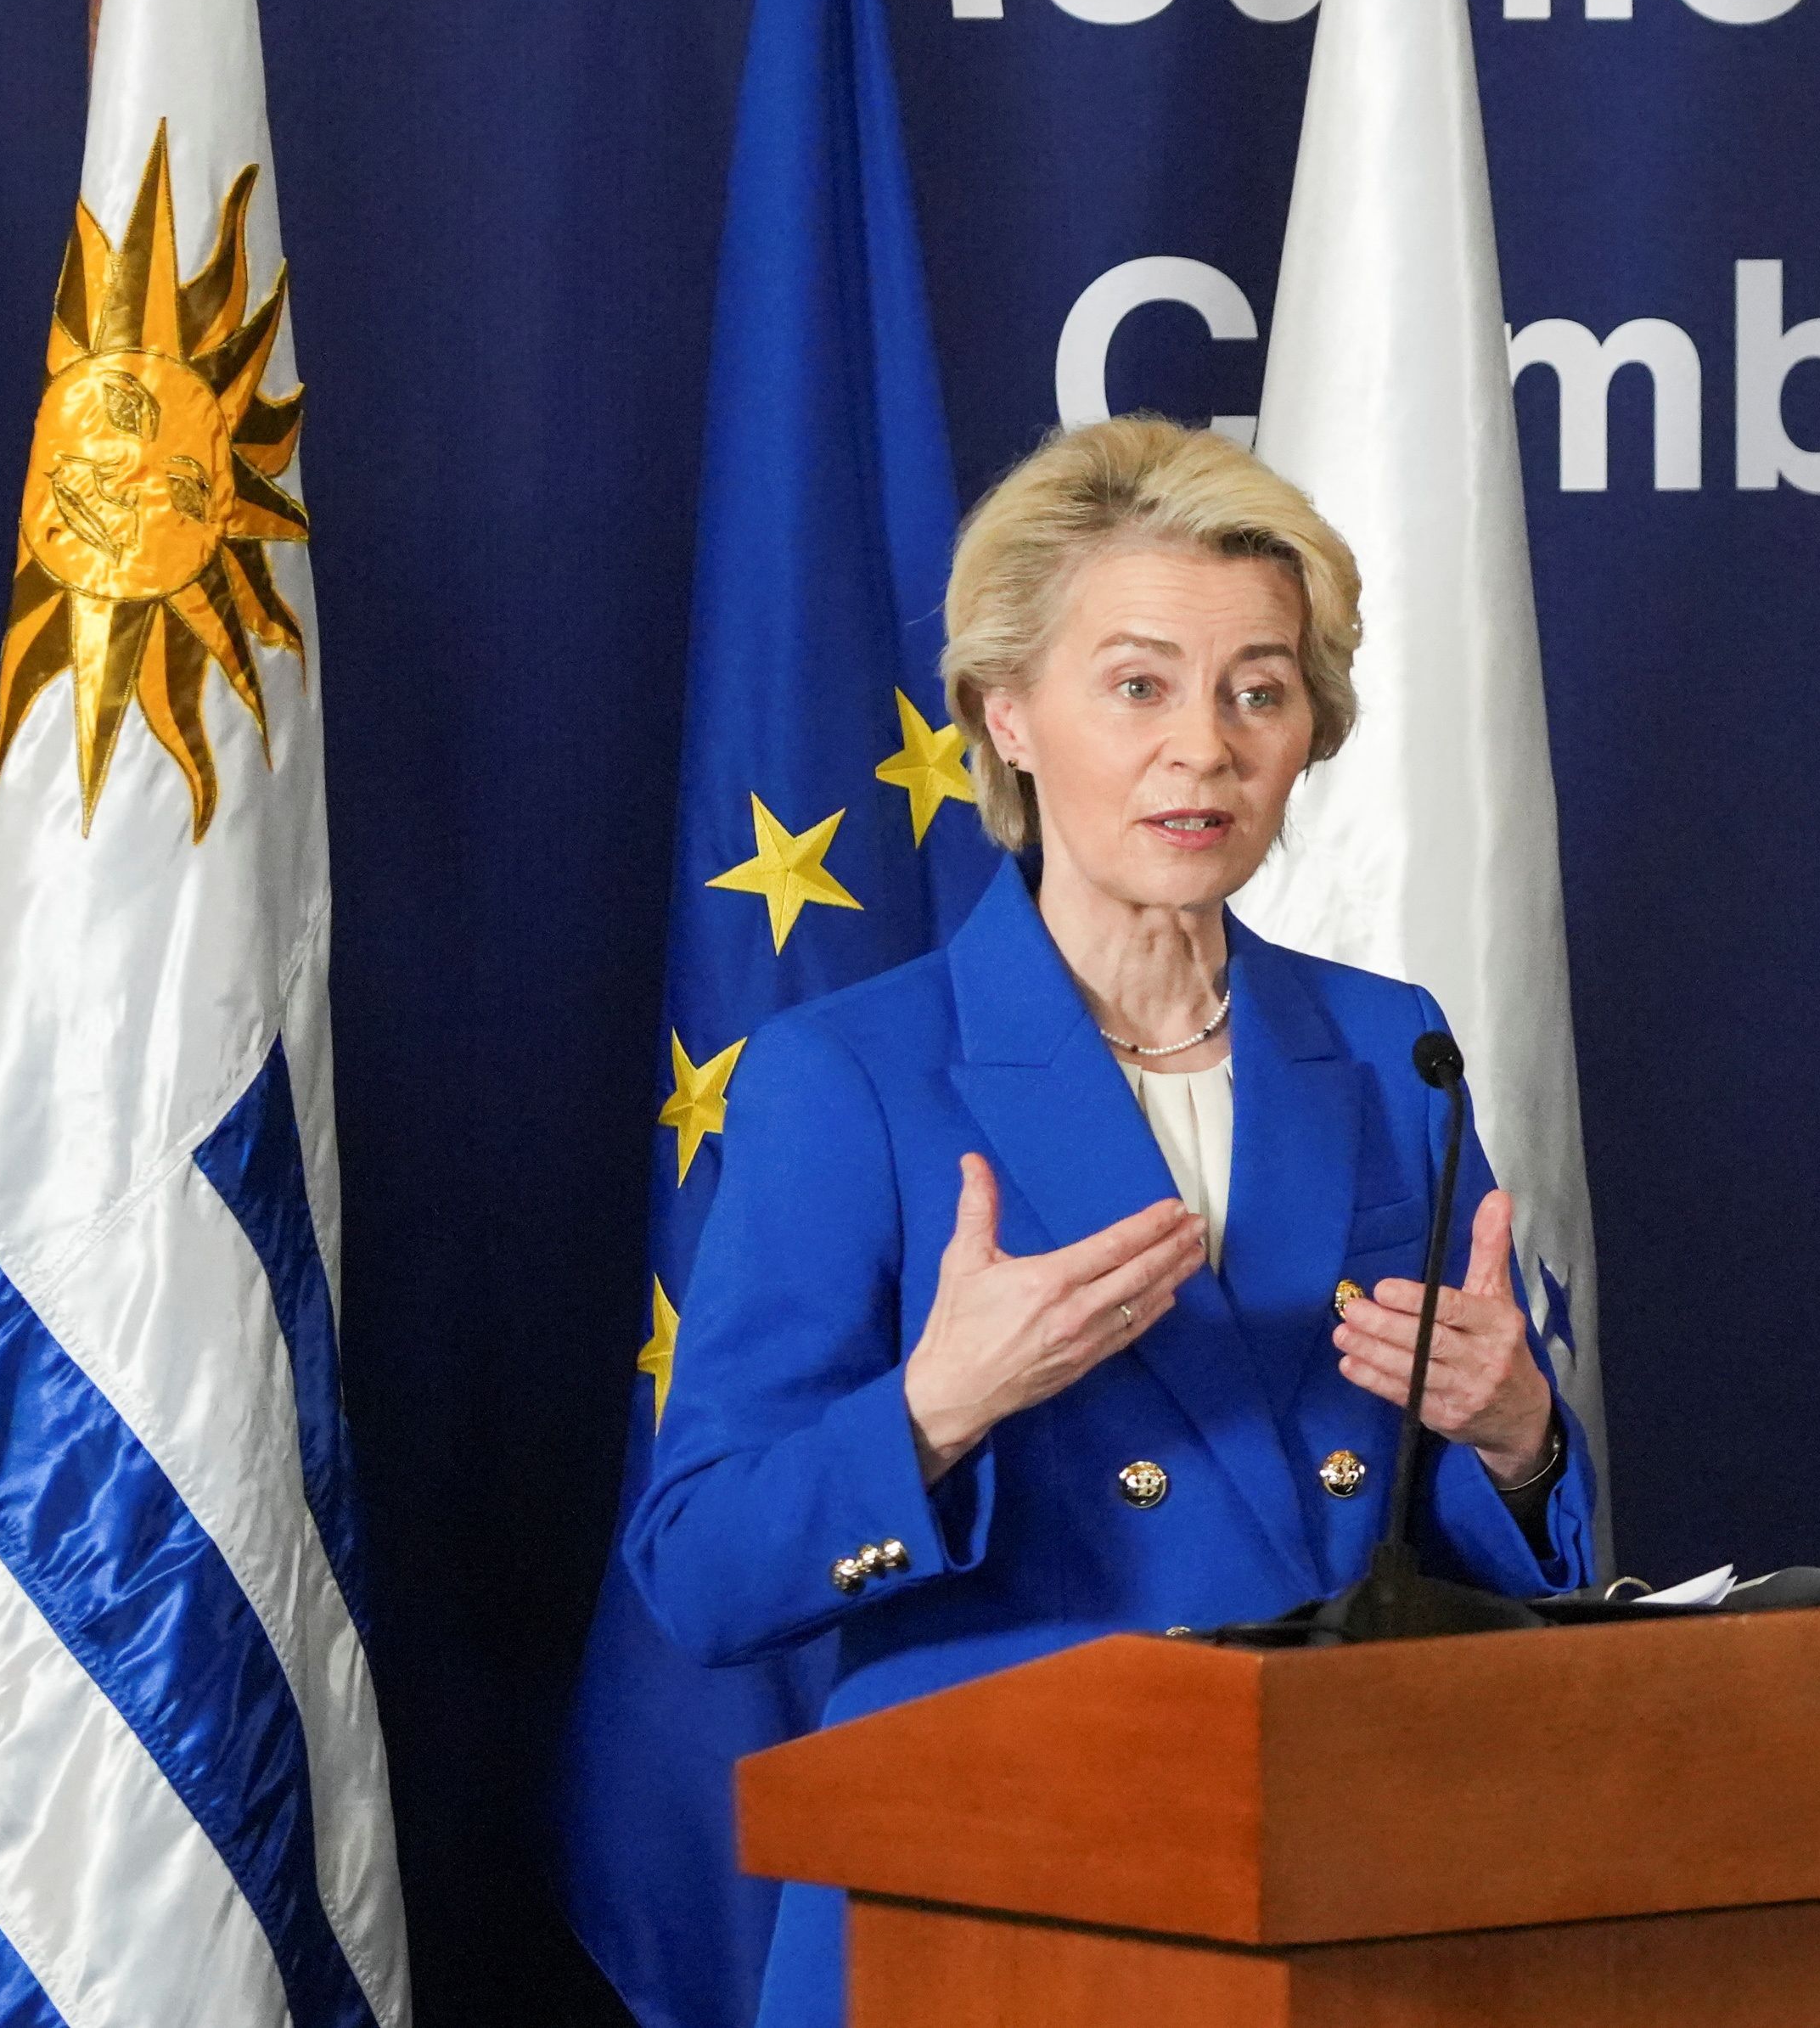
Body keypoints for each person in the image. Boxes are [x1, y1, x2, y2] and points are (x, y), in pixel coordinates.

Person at [623, 417, 1592, 2028]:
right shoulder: (848, 1078)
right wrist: (939, 1406)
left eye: (1258, 689)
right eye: (1137, 684)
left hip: (1338, 1898)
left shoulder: (1386, 1046)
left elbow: (1474, 1557)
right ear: (1008, 713)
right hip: (990, 1915)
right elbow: (703, 1573)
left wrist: (1519, 1434)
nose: (1202, 748)